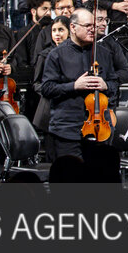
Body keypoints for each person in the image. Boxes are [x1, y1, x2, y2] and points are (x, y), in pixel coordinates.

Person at [40, 9, 122, 160]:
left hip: (99, 129)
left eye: (94, 25)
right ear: (73, 27)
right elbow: (46, 88)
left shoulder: (103, 53)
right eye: (87, 26)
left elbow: (115, 84)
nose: (93, 29)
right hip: (67, 129)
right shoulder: (56, 55)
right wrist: (74, 86)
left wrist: (106, 85)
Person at [31, 17, 72, 158]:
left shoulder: (74, 53)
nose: (57, 34)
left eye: (61, 30)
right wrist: (51, 91)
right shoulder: (44, 55)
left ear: (70, 31)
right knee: (52, 155)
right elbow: (36, 83)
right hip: (49, 111)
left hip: (69, 110)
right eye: (54, 30)